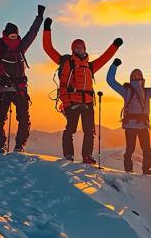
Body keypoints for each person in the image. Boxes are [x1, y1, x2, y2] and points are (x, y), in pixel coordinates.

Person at [42, 17, 122, 164]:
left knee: (89, 132)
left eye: (82, 47)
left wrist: (115, 46)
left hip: (88, 102)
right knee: (70, 131)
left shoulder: (89, 66)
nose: (80, 49)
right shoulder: (66, 62)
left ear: (85, 49)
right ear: (73, 50)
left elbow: (105, 58)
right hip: (72, 102)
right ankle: (68, 156)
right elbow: (48, 48)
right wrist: (47, 28)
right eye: (77, 47)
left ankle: (87, 156)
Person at [0, 5, 45, 153]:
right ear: (6, 34)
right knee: (0, 119)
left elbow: (32, 33)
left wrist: (39, 18)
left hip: (18, 89)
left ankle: (19, 146)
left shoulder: (21, 46)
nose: (13, 37)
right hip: (6, 88)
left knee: (23, 118)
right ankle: (0, 146)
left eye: (15, 35)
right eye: (11, 35)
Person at [106, 58, 151, 174]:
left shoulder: (127, 91)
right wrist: (114, 65)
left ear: (142, 77)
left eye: (138, 74)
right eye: (135, 75)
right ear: (132, 78)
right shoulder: (144, 92)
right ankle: (141, 170)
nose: (137, 76)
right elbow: (110, 80)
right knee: (140, 150)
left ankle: (134, 169)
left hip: (136, 126)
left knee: (137, 150)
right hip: (139, 126)